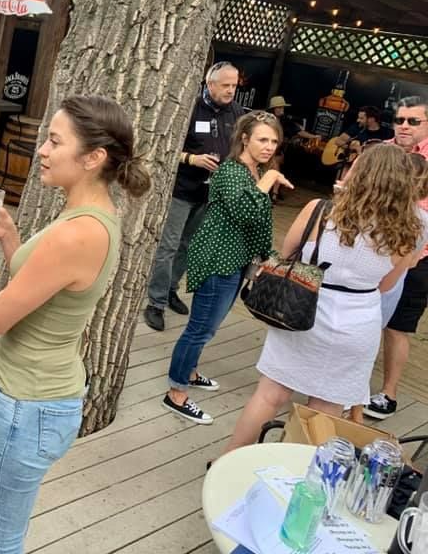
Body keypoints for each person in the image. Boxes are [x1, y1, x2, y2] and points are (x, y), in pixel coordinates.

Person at [0, 95, 150, 554]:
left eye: (54, 141)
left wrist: (4, 294)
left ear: (93, 158)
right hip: (42, 398)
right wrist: (11, 238)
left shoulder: (76, 232)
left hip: (28, 407)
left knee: (0, 540)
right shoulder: (93, 216)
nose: (42, 150)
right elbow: (44, 290)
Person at [224, 144, 422, 452]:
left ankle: (229, 460)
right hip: (358, 322)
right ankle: (293, 470)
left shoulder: (320, 210)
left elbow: (288, 253)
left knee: (270, 395)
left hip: (303, 308)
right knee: (324, 412)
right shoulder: (408, 234)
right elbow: (386, 286)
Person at [162, 111, 291, 424]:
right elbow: (246, 211)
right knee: (199, 329)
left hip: (235, 261)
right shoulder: (231, 172)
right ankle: (176, 393)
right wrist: (271, 179)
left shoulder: (255, 171)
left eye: (274, 141)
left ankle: (189, 373)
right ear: (245, 139)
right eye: (262, 139)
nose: (269, 146)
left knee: (209, 325)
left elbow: (259, 221)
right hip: (217, 260)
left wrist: (268, 256)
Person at [143, 62, 244, 331]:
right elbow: (163, 148)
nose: (231, 90)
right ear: (210, 84)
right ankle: (155, 302)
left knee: (188, 245)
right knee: (168, 246)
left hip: (210, 193)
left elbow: (239, 149)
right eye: (226, 85)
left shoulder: (236, 112)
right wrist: (192, 159)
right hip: (182, 189)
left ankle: (171, 289)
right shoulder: (189, 108)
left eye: (234, 86)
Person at [366, 96, 428, 419]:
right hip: (369, 248)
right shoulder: (379, 152)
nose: (404, 126)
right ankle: (348, 383)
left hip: (417, 258)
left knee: (396, 326)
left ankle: (388, 394)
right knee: (358, 315)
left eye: (413, 121)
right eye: (399, 119)